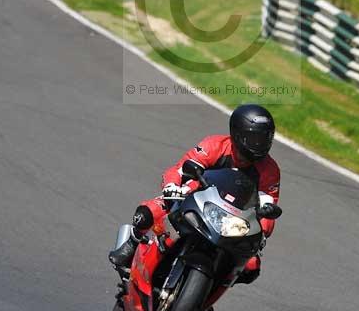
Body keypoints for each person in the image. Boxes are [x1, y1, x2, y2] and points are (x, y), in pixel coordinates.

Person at [109, 103, 280, 285]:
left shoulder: (270, 169)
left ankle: (209, 287)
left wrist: (263, 232)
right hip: (197, 198)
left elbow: (268, 204)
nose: (260, 144)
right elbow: (180, 168)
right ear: (237, 134)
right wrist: (172, 186)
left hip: (234, 219)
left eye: (265, 138)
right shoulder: (215, 145)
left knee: (251, 267)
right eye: (254, 139)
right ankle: (133, 243)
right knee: (147, 213)